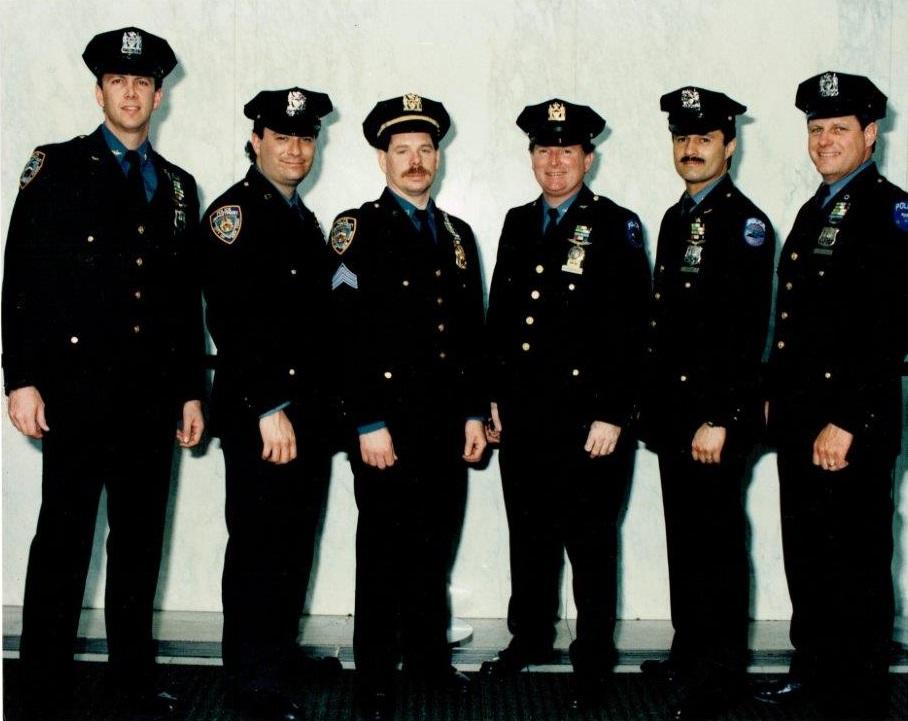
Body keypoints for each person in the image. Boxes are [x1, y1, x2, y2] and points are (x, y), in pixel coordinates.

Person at [1, 26, 204, 718]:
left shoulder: (177, 187)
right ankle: (41, 688)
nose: (130, 92)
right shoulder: (55, 167)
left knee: (140, 544)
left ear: (158, 95)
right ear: (99, 91)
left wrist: (189, 391)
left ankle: (132, 682)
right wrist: (19, 377)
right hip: (77, 393)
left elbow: (182, 302)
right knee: (63, 540)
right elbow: (19, 278)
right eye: (118, 81)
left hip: (150, 399)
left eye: (142, 82)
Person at [481, 99, 651, 710]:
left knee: (590, 544)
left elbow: (633, 329)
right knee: (527, 537)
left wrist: (613, 412)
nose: (554, 160)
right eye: (543, 149)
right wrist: (493, 397)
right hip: (524, 415)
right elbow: (501, 318)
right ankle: (528, 638)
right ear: (532, 156)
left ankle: (594, 662)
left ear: (589, 157)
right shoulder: (516, 222)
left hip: (589, 423)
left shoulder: (618, 225)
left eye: (567, 149)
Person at [328, 93, 487, 721]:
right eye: (402, 151)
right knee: (384, 554)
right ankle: (373, 677)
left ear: (438, 157)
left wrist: (475, 412)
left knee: (433, 547)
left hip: (446, 426)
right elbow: (342, 333)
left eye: (425, 149)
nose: (416, 161)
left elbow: (470, 333)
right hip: (385, 428)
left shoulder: (457, 235)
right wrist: (367, 420)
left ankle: (428, 662)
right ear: (381, 158)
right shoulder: (357, 229)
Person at [756, 71, 908, 720]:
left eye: (838, 128)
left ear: (870, 134)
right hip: (801, 420)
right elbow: (794, 319)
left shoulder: (888, 209)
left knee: (858, 560)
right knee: (810, 555)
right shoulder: (815, 207)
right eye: (815, 129)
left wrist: (847, 419)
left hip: (851, 424)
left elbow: (889, 326)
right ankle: (813, 670)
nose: (823, 140)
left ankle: (861, 691)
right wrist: (772, 396)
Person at [199, 87, 340, 721]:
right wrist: (266, 407)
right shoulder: (235, 214)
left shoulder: (299, 216)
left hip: (304, 414)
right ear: (256, 140)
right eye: (281, 137)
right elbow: (233, 320)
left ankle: (276, 652)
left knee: (291, 542)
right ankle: (250, 677)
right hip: (265, 414)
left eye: (305, 138)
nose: (294, 149)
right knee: (259, 544)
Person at [638, 87, 775, 721]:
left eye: (704, 138)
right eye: (681, 138)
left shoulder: (744, 224)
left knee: (716, 544)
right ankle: (690, 651)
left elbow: (745, 333)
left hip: (715, 420)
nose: (690, 149)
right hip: (676, 418)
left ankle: (721, 676)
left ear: (729, 144)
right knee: (686, 539)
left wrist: (720, 417)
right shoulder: (677, 217)